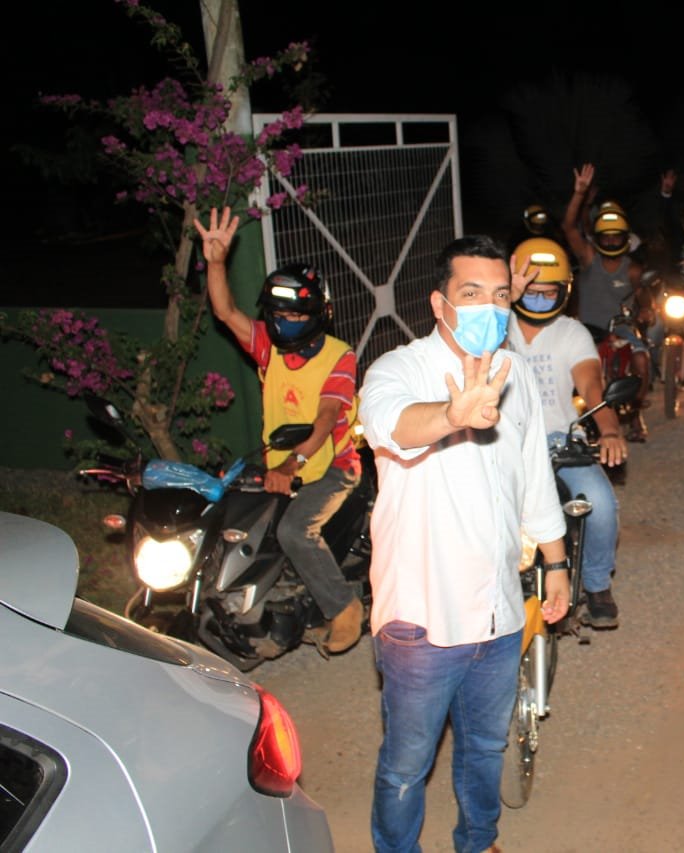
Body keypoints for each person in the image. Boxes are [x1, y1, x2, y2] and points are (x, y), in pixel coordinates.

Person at [357, 235, 570, 853]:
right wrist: (452, 415)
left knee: (485, 747)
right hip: (422, 617)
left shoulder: (514, 373)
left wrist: (555, 560)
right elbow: (390, 425)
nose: (488, 308)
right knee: (407, 763)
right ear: (439, 303)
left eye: (500, 296)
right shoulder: (397, 369)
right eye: (471, 294)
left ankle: (479, 841)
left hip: (499, 609)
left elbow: (533, 474)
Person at [195, 207, 364, 655]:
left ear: (317, 314)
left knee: (294, 531)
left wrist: (293, 464)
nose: (285, 322)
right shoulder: (268, 347)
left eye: (294, 315)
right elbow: (225, 311)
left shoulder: (339, 356)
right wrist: (216, 262)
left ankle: (344, 607)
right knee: (226, 515)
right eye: (277, 313)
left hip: (333, 467)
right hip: (279, 462)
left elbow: (326, 420)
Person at [508, 237, 627, 628]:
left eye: (550, 292)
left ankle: (596, 584)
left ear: (564, 291)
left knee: (600, 503)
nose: (540, 299)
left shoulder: (572, 332)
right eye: (532, 290)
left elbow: (592, 387)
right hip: (501, 443)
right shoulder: (495, 326)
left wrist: (609, 430)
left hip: (557, 441)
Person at [562, 163, 653, 441]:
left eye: (617, 236)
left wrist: (646, 307)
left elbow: (641, 292)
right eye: (606, 236)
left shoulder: (632, 268)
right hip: (587, 330)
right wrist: (579, 194)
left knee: (641, 358)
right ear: (599, 238)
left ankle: (635, 412)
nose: (612, 241)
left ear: (625, 238)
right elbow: (568, 227)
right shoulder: (589, 258)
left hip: (621, 328)